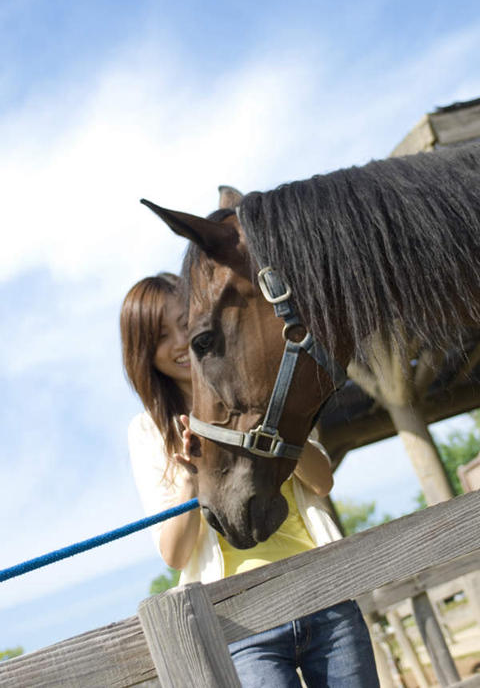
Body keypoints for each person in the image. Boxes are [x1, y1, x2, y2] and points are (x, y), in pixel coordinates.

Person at [122, 272, 379, 687]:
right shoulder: (148, 430)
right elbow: (173, 554)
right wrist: (190, 477)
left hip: (323, 589)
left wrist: (273, 435)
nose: (178, 342)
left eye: (183, 324)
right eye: (159, 336)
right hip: (241, 622)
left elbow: (322, 481)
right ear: (144, 354)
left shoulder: (257, 382)